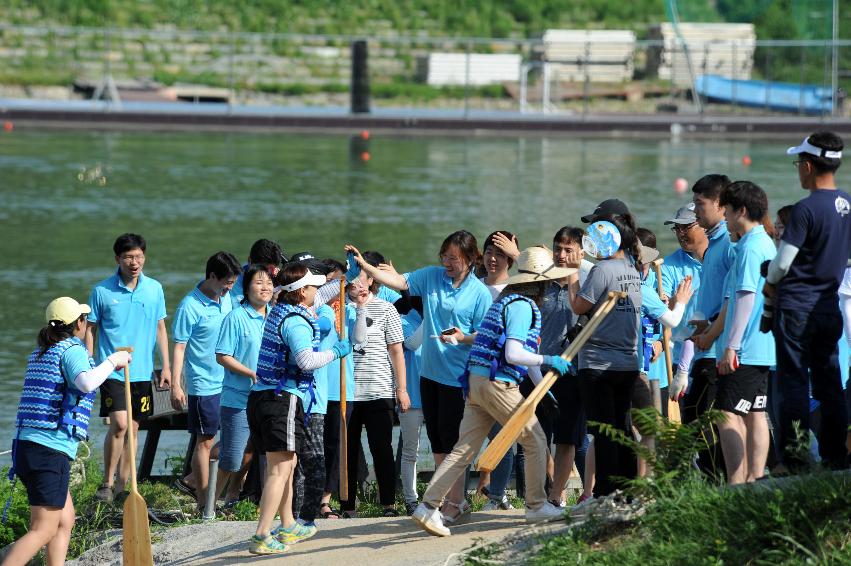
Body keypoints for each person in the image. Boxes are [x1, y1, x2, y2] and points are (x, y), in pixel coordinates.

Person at [411, 246, 576, 537]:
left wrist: (543, 390)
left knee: (463, 449)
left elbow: (521, 353)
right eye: (550, 282)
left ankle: (427, 507)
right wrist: (551, 360)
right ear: (540, 282)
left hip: (476, 381)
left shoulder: (505, 301)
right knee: (535, 439)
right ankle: (537, 506)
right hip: (497, 382)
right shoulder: (523, 306)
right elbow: (514, 353)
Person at [345, 231, 492, 524]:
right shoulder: (432, 276)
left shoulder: (479, 293)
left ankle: (454, 500)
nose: (447, 262)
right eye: (444, 256)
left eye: (454, 258)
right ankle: (450, 499)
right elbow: (399, 281)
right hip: (429, 375)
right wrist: (366, 266)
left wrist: (463, 337)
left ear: (471, 259)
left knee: (453, 442)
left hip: (456, 378)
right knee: (437, 441)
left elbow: (486, 337)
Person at [5, 297, 131, 566]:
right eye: (84, 319)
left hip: (29, 448)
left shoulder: (43, 351)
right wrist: (112, 361)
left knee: (64, 520)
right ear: (79, 324)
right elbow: (85, 383)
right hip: (47, 450)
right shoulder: (71, 350)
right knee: (44, 528)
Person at [247, 262, 351, 555]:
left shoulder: (282, 305)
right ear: (302, 291)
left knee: (288, 464)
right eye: (314, 287)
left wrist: (351, 275)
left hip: (263, 398)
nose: (318, 292)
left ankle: (289, 523)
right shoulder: (296, 321)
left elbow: (328, 290)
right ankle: (262, 534)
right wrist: (336, 352)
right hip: (282, 400)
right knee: (280, 470)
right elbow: (306, 360)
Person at [765, 131, 851, 470]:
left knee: (795, 382)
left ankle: (796, 458)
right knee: (830, 382)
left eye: (799, 163)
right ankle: (834, 456)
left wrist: (771, 283)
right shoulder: (847, 205)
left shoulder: (804, 209)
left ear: (808, 166)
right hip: (829, 307)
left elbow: (782, 263)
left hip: (797, 306)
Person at [85, 233, 170, 503]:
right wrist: (89, 361)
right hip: (111, 370)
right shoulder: (102, 291)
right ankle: (107, 483)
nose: (134, 262)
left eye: (139, 257)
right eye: (128, 257)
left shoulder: (154, 289)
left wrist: (166, 366)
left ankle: (124, 487)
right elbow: (90, 329)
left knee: (133, 429)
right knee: (119, 424)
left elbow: (160, 327)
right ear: (117, 259)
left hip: (143, 370)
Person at [566, 214, 642, 498]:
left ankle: (606, 492)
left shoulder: (601, 271)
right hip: (628, 362)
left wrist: (573, 272)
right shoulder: (632, 270)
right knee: (622, 428)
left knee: (603, 430)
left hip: (597, 362)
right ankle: (629, 488)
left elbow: (578, 306)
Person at [711, 181, 777, 484]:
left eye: (727, 210)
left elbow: (746, 296)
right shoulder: (766, 242)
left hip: (746, 348)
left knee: (726, 413)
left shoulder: (751, 246)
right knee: (755, 412)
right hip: (764, 346)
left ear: (743, 210)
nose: (724, 216)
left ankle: (737, 483)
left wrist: (731, 346)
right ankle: (755, 476)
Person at [170, 251, 241, 512]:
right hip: (203, 383)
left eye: (233, 283)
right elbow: (179, 347)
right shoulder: (190, 306)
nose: (230, 287)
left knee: (239, 435)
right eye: (227, 282)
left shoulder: (228, 299)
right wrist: (177, 385)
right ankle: (203, 503)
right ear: (212, 276)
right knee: (206, 441)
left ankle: (196, 483)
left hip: (230, 381)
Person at [339, 265, 408, 517]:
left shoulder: (386, 308)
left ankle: (388, 503)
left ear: (371, 280)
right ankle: (347, 506)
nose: (357, 286)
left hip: (379, 388)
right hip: (347, 391)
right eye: (352, 281)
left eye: (362, 280)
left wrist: (401, 388)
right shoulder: (339, 308)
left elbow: (396, 350)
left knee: (382, 448)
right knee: (347, 449)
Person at [537, 227, 594, 507]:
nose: (561, 255)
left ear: (581, 253)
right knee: (534, 439)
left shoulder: (590, 284)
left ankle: (556, 496)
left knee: (568, 440)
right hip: (537, 372)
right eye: (558, 248)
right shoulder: (540, 282)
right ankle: (535, 497)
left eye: (568, 249)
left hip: (572, 374)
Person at [684, 174, 736, 478]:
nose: (696, 211)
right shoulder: (714, 242)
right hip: (705, 342)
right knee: (698, 415)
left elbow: (735, 296)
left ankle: (719, 479)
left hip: (717, 346)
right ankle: (712, 478)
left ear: (720, 204)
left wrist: (713, 328)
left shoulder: (729, 242)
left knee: (701, 415)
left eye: (700, 204)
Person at [214, 265, 274, 506]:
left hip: (268, 396)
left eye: (269, 283)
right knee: (232, 457)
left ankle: (232, 498)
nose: (265, 287)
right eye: (259, 282)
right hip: (238, 397)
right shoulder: (236, 317)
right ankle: (207, 505)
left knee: (255, 453)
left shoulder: (276, 315)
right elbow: (222, 355)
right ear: (247, 288)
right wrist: (250, 372)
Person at [659, 204, 707, 402]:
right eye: (677, 228)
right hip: (680, 359)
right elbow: (664, 312)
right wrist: (675, 301)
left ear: (703, 224)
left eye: (686, 227)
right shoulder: (669, 265)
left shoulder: (724, 255)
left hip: (713, 352)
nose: (680, 233)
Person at [318, 258, 354, 520]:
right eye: (332, 281)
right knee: (315, 446)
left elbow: (360, 338)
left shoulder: (351, 310)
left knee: (336, 446)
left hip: (345, 388)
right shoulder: (317, 309)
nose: (337, 286)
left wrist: (359, 308)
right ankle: (309, 498)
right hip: (319, 387)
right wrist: (330, 305)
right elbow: (323, 327)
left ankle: (326, 500)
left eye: (340, 280)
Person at [395, 295, 426, 515]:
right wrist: (433, 318)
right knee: (410, 451)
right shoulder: (403, 320)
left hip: (436, 395)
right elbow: (412, 343)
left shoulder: (438, 323)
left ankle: (439, 498)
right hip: (412, 397)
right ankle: (411, 499)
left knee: (443, 449)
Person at [231, 239, 286, 308]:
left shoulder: (278, 277)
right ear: (249, 262)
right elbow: (240, 310)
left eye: (272, 269)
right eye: (265, 270)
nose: (269, 274)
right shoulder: (236, 282)